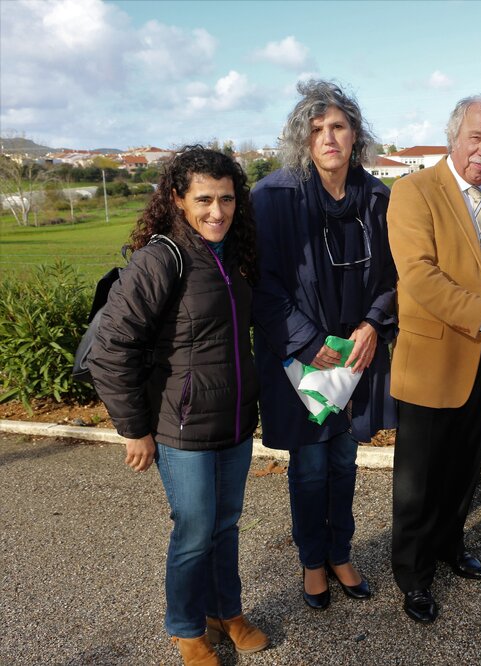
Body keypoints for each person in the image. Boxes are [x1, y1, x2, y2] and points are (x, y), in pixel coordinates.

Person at [90, 146, 267, 665]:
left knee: (226, 524)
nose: (218, 211)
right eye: (204, 199)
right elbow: (111, 349)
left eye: (227, 199)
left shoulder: (234, 256)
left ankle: (224, 611)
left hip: (233, 421)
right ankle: (186, 628)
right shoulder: (159, 258)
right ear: (178, 199)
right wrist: (133, 428)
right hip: (180, 425)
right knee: (194, 529)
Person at [251, 80, 396, 611]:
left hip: (354, 358)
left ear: (355, 134)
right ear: (302, 140)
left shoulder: (378, 198)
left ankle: (341, 552)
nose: (329, 137)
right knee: (310, 466)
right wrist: (307, 340)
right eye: (316, 130)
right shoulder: (273, 197)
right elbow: (260, 284)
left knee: (344, 460)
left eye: (338, 126)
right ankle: (313, 561)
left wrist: (373, 325)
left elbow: (393, 275)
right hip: (301, 360)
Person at [387, 94, 481, 624]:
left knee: (464, 471)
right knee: (418, 482)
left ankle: (449, 545)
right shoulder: (412, 191)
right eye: (477, 136)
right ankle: (414, 575)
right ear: (454, 136)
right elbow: (419, 276)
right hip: (430, 364)